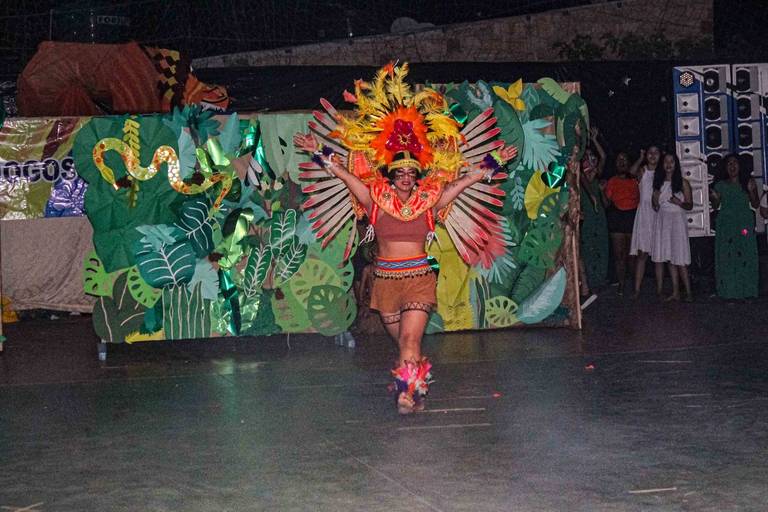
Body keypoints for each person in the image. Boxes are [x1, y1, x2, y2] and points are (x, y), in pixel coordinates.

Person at [293, 64, 517, 414]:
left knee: (410, 340)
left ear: (417, 175)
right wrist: (316, 149)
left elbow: (464, 182)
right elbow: (344, 174)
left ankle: (406, 396)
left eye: (412, 172)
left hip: (418, 279)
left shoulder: (431, 201)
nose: (406, 177)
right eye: (400, 172)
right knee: (404, 345)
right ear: (392, 173)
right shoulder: (374, 199)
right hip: (385, 282)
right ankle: (417, 385)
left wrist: (494, 160)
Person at [710, 154, 759, 299]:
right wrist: (714, 198)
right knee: (727, 257)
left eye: (735, 163)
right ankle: (729, 292)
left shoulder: (748, 182)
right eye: (729, 164)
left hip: (743, 224)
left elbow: (756, 204)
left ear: (740, 166)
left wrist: (752, 191)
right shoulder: (720, 185)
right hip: (727, 224)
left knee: (746, 255)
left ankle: (747, 291)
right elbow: (716, 206)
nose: (732, 166)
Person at [651, 152, 693, 301]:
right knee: (669, 257)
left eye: (672, 162)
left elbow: (690, 205)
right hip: (663, 221)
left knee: (680, 257)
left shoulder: (683, 183)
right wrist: (655, 200)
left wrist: (679, 203)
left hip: (677, 220)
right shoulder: (659, 184)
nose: (669, 165)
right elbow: (655, 207)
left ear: (676, 164)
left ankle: (688, 292)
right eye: (666, 162)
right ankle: (675, 292)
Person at [578, 126, 609, 301]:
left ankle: (599, 280)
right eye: (587, 158)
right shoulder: (580, 179)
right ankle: (588, 281)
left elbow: (603, 157)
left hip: (599, 218)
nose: (590, 160)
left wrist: (595, 139)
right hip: (586, 217)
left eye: (592, 158)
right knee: (587, 248)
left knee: (601, 247)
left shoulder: (597, 179)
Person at [603, 152, 639, 296]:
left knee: (632, 255)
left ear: (629, 163)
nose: (622, 162)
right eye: (619, 160)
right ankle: (621, 284)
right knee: (619, 255)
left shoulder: (635, 180)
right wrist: (601, 192)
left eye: (624, 159)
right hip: (617, 217)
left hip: (632, 217)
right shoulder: (612, 181)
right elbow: (606, 203)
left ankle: (634, 283)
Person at [630, 145, 661, 298]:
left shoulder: (662, 173)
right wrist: (640, 158)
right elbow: (631, 172)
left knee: (659, 255)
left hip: (659, 214)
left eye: (656, 153)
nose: (653, 155)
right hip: (644, 214)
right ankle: (637, 290)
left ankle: (660, 290)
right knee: (642, 253)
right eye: (650, 153)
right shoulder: (643, 171)